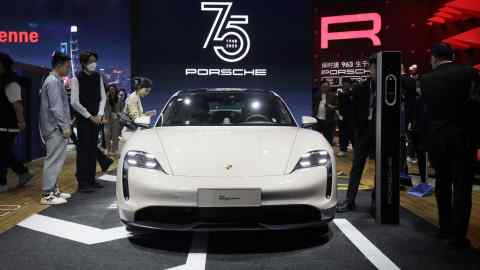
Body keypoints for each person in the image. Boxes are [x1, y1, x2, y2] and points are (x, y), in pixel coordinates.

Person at [420, 43, 478, 249]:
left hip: (438, 140)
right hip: (464, 138)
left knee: (442, 184)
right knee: (463, 187)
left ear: (435, 58)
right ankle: (459, 236)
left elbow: (426, 113)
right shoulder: (470, 73)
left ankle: (444, 228)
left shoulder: (426, 79)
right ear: (452, 56)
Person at [337, 55, 377, 213]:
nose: (374, 71)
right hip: (363, 131)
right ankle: (349, 200)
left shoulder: (389, 85)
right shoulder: (361, 87)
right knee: (356, 166)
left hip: (381, 131)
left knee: (380, 168)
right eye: (373, 68)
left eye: (377, 68)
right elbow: (352, 111)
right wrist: (356, 130)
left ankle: (376, 202)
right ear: (370, 68)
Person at [39, 52, 72, 205]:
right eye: (67, 65)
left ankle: (54, 190)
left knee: (57, 160)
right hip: (54, 128)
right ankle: (47, 194)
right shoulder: (52, 81)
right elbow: (56, 107)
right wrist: (65, 126)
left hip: (56, 127)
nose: (69, 68)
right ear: (59, 65)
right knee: (53, 160)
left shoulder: (56, 80)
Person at [71, 51, 107, 192]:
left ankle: (91, 179)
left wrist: (99, 114)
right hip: (84, 120)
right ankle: (83, 182)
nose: (94, 64)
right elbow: (74, 102)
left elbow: (103, 98)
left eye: (95, 60)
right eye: (91, 61)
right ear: (83, 63)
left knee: (93, 148)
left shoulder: (98, 76)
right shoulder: (76, 78)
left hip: (96, 119)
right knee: (83, 150)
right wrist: (89, 116)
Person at [0, 52, 33, 193]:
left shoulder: (11, 82)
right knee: (5, 153)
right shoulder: (3, 80)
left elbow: (17, 104)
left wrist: (21, 122)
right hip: (2, 124)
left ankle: (1, 183)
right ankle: (24, 173)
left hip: (8, 124)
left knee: (2, 154)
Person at [119, 77, 154, 151]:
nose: (147, 93)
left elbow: (135, 115)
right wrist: (148, 119)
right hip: (130, 134)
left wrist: (146, 114)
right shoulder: (133, 98)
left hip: (133, 132)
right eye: (146, 90)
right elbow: (136, 120)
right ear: (140, 87)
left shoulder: (136, 97)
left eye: (148, 91)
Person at [312, 80, 337, 145]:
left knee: (328, 139)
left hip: (328, 120)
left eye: (326, 86)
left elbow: (337, 106)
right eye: (323, 86)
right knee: (315, 137)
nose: (325, 88)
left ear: (329, 87)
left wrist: (332, 107)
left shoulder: (333, 95)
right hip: (318, 120)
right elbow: (313, 106)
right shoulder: (316, 95)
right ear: (320, 87)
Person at [337, 78, 355, 156]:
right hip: (343, 118)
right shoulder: (340, 94)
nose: (345, 84)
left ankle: (357, 149)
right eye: (344, 83)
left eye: (347, 83)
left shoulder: (353, 93)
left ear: (350, 84)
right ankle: (343, 150)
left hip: (353, 118)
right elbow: (339, 106)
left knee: (353, 135)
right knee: (343, 134)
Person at [104, 84, 122, 155]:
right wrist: (106, 97)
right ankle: (108, 149)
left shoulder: (119, 99)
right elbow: (102, 108)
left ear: (115, 90)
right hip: (107, 119)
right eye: (110, 89)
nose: (112, 91)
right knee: (107, 135)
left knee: (115, 135)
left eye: (113, 89)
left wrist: (118, 114)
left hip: (115, 120)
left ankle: (115, 150)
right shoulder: (105, 99)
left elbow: (122, 110)